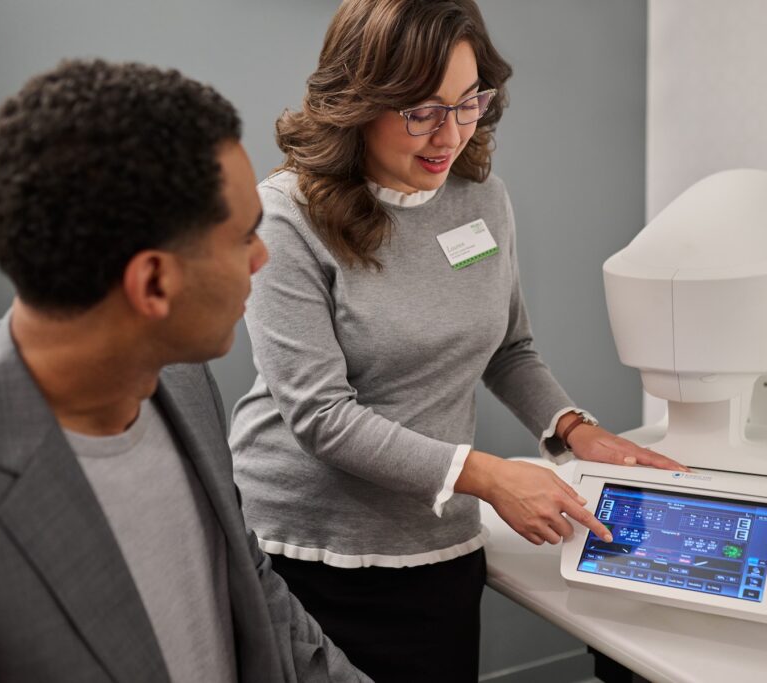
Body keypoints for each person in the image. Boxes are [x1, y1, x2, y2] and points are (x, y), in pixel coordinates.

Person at [230, 1, 687, 680]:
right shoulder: (287, 215)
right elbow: (320, 416)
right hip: (311, 552)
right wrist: (491, 475)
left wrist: (574, 430)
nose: (449, 134)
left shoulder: (480, 197)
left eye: (469, 102)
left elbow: (510, 349)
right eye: (422, 110)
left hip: (438, 540)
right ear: (358, 101)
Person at [0, 59, 369, 683]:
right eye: (243, 237)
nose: (262, 257)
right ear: (153, 282)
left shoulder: (179, 378)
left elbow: (255, 599)